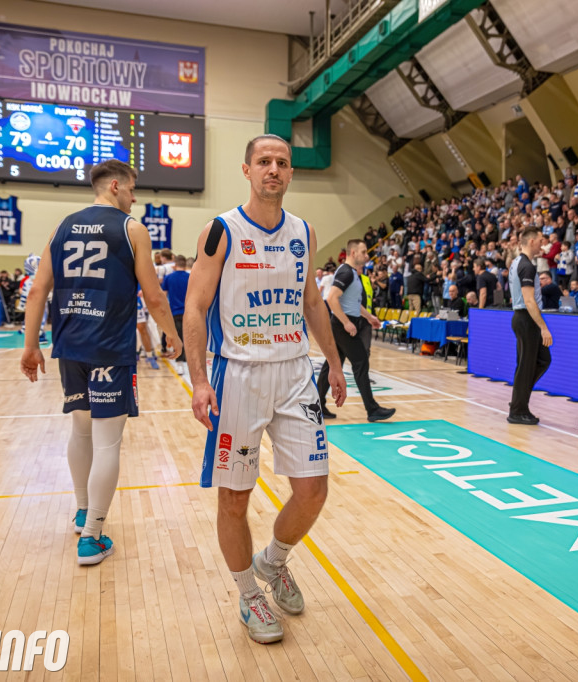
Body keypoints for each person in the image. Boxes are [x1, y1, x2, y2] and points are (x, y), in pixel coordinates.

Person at [182, 134, 348, 645]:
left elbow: (312, 303)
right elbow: (195, 306)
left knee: (313, 490)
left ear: (291, 172)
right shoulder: (222, 230)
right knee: (235, 497)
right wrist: (199, 380)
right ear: (247, 170)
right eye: (263, 161)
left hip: (295, 373)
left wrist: (333, 363)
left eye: (281, 162)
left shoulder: (304, 231)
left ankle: (272, 562)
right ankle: (247, 592)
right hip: (239, 375)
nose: (273, 169)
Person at [19, 159, 182, 566]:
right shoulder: (131, 229)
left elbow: (38, 290)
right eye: (132, 189)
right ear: (114, 186)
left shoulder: (61, 226)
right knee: (108, 441)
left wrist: (30, 345)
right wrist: (172, 335)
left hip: (70, 346)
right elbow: (154, 296)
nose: (134, 198)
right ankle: (92, 536)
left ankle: (81, 511)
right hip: (109, 347)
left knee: (80, 430)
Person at [318, 240, 393, 422]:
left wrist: (369, 317)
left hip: (344, 323)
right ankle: (372, 409)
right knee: (361, 362)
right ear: (353, 253)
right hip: (343, 325)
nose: (367, 255)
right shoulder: (346, 272)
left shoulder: (351, 273)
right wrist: (346, 322)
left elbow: (352, 303)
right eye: (364, 252)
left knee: (332, 364)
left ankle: (317, 405)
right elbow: (331, 298)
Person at [507, 227, 552, 425]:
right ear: (532, 241)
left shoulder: (517, 262)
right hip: (526, 318)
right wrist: (543, 327)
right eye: (540, 241)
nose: (542, 244)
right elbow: (529, 300)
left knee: (542, 360)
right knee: (526, 366)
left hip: (523, 318)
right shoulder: (526, 266)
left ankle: (519, 399)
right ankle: (517, 410)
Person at [161, 254, 190, 366]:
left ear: (175, 264)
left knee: (178, 337)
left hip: (174, 312)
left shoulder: (169, 277)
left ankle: (179, 362)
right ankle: (186, 359)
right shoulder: (190, 277)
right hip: (189, 312)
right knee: (189, 337)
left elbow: (163, 297)